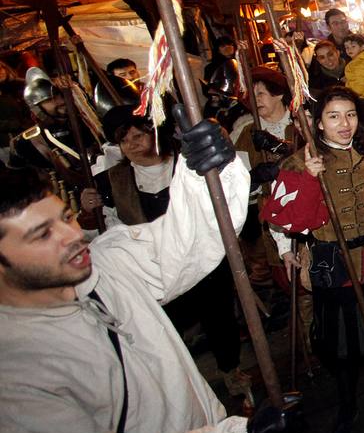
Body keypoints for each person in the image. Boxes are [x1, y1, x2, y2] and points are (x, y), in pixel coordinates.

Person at [0, 109, 298, 433]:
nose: (71, 236)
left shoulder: (106, 262)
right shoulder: (13, 373)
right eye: (41, 235)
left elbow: (189, 241)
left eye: (65, 218)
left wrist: (204, 171)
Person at [80, 105, 250, 401]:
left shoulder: (189, 161)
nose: (133, 140)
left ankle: (231, 370)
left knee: (220, 318)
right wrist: (87, 210)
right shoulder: (110, 181)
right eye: (124, 138)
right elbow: (103, 233)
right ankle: (184, 387)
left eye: (138, 131)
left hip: (204, 255)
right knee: (166, 331)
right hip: (156, 268)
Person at [263, 87, 364, 433]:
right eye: (334, 116)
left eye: (350, 114)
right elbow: (285, 221)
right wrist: (309, 178)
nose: (344, 124)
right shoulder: (299, 162)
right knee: (342, 344)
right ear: (318, 123)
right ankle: (347, 406)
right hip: (332, 261)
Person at [231, 68, 303, 311]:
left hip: (307, 210)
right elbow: (238, 184)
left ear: (279, 95)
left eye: (261, 93)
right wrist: (253, 179)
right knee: (291, 285)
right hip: (272, 217)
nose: (255, 99)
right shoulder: (246, 134)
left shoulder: (300, 125)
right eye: (252, 95)